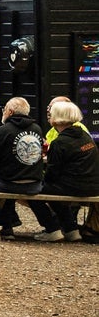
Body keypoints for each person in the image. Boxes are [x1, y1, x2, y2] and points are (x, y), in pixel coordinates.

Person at [0, 96, 62, 238]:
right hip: (34, 184)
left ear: (11, 112)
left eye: (5, 109)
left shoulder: (1, 131)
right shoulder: (37, 129)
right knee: (19, 183)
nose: (3, 112)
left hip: (8, 184)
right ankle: (52, 226)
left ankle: (7, 227)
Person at [42, 98, 99, 241]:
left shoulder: (59, 142)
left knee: (31, 189)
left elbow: (52, 174)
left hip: (74, 187)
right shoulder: (85, 136)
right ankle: (70, 229)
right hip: (93, 186)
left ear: (56, 118)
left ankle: (52, 228)